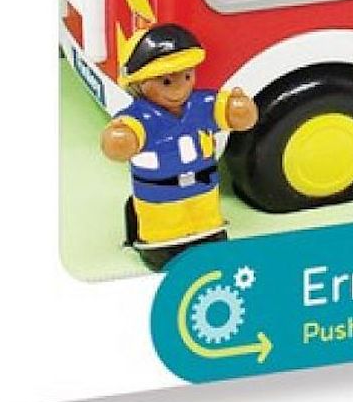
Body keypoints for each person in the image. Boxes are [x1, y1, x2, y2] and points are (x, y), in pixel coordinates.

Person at [99, 23, 258, 269]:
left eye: (187, 76)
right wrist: (121, 138)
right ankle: (162, 250)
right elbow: (125, 134)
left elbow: (229, 112)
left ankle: (208, 238)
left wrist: (238, 110)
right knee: (164, 228)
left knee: (206, 223)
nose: (180, 87)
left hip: (203, 193)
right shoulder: (142, 117)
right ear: (139, 83)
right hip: (160, 198)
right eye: (166, 81)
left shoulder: (200, 105)